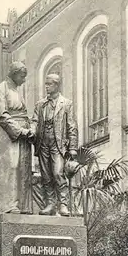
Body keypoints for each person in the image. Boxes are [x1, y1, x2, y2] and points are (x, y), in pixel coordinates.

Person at [30, 74, 78, 216]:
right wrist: (32, 130)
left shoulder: (66, 103)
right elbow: (34, 121)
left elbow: (72, 126)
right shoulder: (40, 104)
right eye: (46, 84)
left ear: (56, 85)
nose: (46, 87)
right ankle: (50, 204)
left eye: (49, 84)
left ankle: (63, 204)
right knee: (46, 176)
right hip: (43, 143)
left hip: (58, 144)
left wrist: (73, 148)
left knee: (58, 173)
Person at [0, 61, 34, 215]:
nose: (24, 80)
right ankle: (8, 205)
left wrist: (30, 130)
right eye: (22, 76)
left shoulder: (17, 90)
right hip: (10, 135)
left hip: (23, 134)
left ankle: (22, 205)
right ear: (15, 74)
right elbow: (1, 115)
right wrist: (20, 131)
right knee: (11, 167)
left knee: (23, 168)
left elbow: (24, 113)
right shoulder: (0, 88)